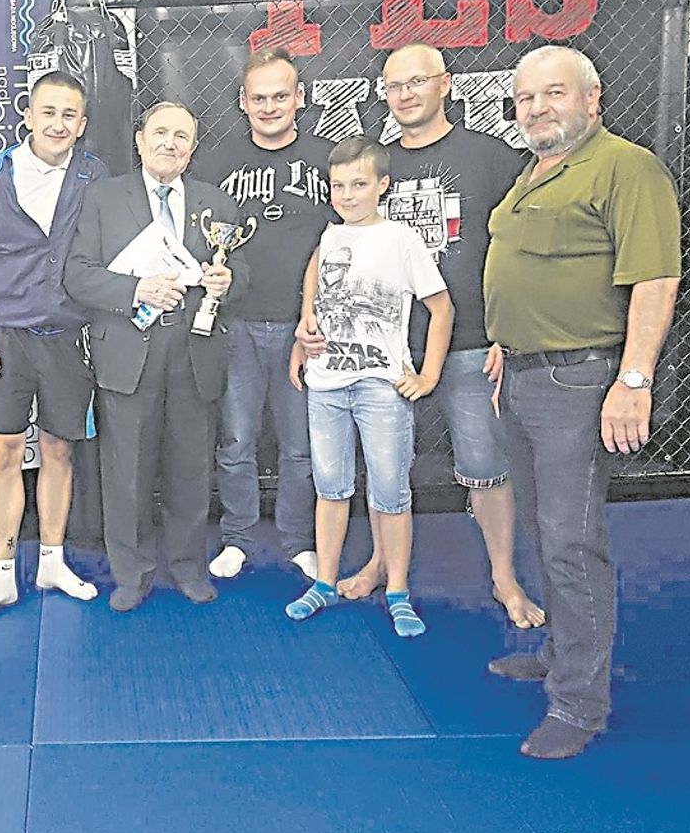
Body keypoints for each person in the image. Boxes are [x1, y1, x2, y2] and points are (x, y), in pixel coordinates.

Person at [484, 45, 680, 760]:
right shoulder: (535, 170)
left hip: (579, 381)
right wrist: (507, 340)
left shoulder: (627, 168)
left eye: (554, 93)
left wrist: (634, 380)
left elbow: (654, 279)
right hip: (524, 375)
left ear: (592, 98)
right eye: (525, 98)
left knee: (571, 541)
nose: (537, 108)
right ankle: (561, 653)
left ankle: (579, 703)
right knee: (546, 529)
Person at [331, 43, 543, 627]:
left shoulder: (491, 158)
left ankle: (504, 577)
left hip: (472, 340)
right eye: (394, 85)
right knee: (385, 466)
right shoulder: (374, 164)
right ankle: (380, 561)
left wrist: (506, 331)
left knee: (486, 464)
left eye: (416, 82)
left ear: (445, 84)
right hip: (387, 345)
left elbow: (519, 251)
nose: (404, 94)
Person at [64, 101, 248, 611]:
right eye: (160, 133)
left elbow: (243, 272)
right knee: (127, 472)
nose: (170, 143)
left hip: (194, 352)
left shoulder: (216, 203)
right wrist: (136, 289)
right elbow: (76, 274)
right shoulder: (102, 199)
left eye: (181, 136)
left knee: (191, 469)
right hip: (128, 352)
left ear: (193, 147)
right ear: (140, 141)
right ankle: (132, 572)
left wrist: (229, 281)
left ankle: (189, 566)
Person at [0, 71, 106, 623]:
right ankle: (0, 575)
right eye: (49, 112)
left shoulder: (93, 175)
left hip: (68, 338)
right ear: (29, 116)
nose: (58, 124)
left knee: (60, 450)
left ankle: (53, 563)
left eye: (69, 115)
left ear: (81, 124)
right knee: (3, 454)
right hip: (4, 340)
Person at [286, 136, 452, 636]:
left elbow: (441, 308)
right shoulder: (330, 236)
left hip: (382, 386)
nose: (346, 195)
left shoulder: (402, 240)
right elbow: (314, 283)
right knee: (330, 487)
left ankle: (397, 590)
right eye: (337, 186)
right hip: (326, 384)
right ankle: (324, 582)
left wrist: (428, 374)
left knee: (390, 492)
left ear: (383, 185)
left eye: (358, 185)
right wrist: (304, 330)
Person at [197, 48, 333, 586]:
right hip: (237, 324)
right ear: (242, 102)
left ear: (300, 98)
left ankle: (299, 540)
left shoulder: (328, 160)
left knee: (300, 446)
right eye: (259, 98)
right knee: (236, 441)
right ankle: (238, 537)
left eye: (280, 96)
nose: (270, 106)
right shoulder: (216, 164)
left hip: (307, 329)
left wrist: (318, 314)